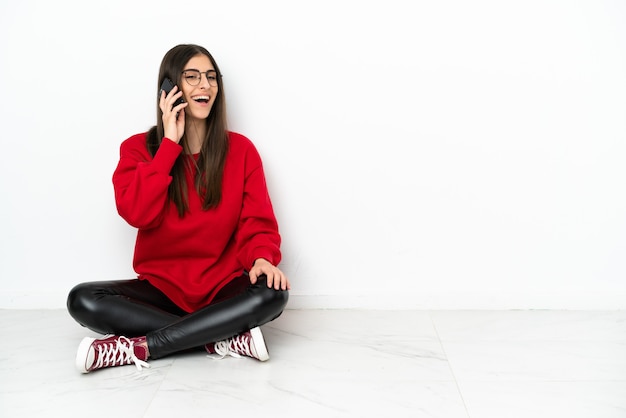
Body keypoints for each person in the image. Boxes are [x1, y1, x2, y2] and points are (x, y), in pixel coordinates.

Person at [66, 44, 290, 373]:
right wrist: (169, 146)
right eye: (192, 77)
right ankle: (220, 337)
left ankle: (140, 348)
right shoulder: (137, 149)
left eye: (212, 77)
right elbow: (138, 213)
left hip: (220, 289)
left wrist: (261, 258)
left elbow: (257, 223)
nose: (206, 85)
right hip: (160, 289)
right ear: (169, 88)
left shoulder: (241, 151)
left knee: (274, 293)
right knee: (82, 299)